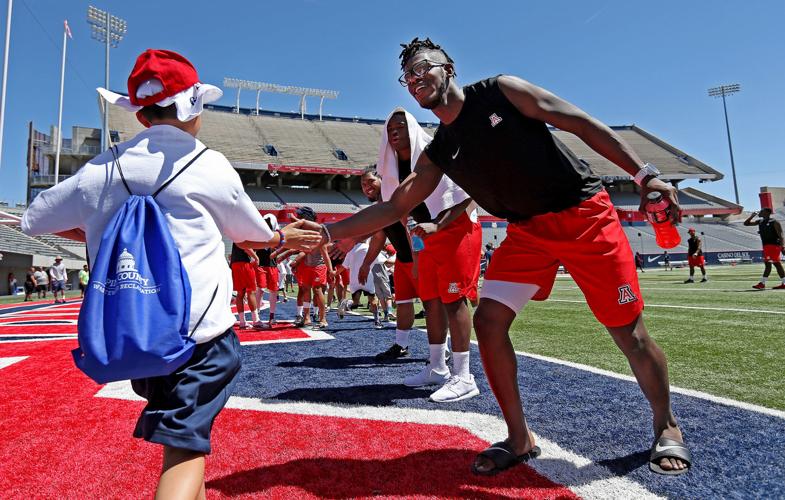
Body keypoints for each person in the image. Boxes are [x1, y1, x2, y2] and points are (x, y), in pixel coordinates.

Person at [316, 37, 689, 475]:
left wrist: (644, 175)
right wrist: (325, 232)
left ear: (448, 67)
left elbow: (581, 124)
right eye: (408, 77)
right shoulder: (440, 149)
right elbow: (394, 207)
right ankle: (519, 437)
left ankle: (667, 426)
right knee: (489, 322)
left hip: (584, 215)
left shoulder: (500, 91)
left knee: (630, 334)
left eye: (424, 68)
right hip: (528, 231)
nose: (417, 81)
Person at [20, 49, 320, 498]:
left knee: (182, 446)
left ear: (140, 115)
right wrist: (284, 236)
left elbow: (33, 220)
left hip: (138, 336)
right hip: (199, 334)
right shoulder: (207, 164)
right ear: (193, 106)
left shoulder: (101, 168)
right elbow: (252, 233)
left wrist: (98, 224)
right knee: (184, 455)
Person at [365, 108, 483, 403]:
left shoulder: (434, 152)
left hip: (457, 229)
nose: (393, 131)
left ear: (413, 128)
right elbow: (408, 220)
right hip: (426, 238)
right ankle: (438, 368)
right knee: (430, 300)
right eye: (389, 127)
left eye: (400, 125)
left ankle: (464, 376)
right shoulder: (393, 170)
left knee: (453, 300)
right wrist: (416, 257)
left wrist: (439, 224)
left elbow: (467, 192)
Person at [292, 207, 333, 329]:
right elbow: (303, 251)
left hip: (318, 266)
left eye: (300, 217)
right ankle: (307, 318)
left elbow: (325, 253)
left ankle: (323, 319)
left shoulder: (317, 231)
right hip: (307, 266)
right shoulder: (304, 232)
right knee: (305, 290)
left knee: (317, 290)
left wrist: (330, 270)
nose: (299, 219)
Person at [744, 208, 785, 290]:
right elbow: (746, 223)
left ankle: (762, 283)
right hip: (766, 246)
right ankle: (782, 283)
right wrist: (752, 216)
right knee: (773, 264)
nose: (760, 212)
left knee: (773, 264)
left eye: (761, 211)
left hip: (774, 245)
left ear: (766, 212)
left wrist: (782, 247)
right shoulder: (760, 221)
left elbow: (780, 235)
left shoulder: (774, 222)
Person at [254, 214, 281, 327]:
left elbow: (281, 246)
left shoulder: (276, 234)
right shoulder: (259, 234)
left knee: (270, 290)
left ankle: (269, 316)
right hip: (263, 264)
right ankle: (258, 316)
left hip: (270, 265)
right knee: (261, 290)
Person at [230, 242, 262, 328]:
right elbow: (245, 247)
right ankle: (256, 320)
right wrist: (256, 257)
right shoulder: (243, 233)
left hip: (235, 264)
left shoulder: (236, 233)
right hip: (244, 264)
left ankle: (242, 322)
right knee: (250, 292)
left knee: (240, 294)